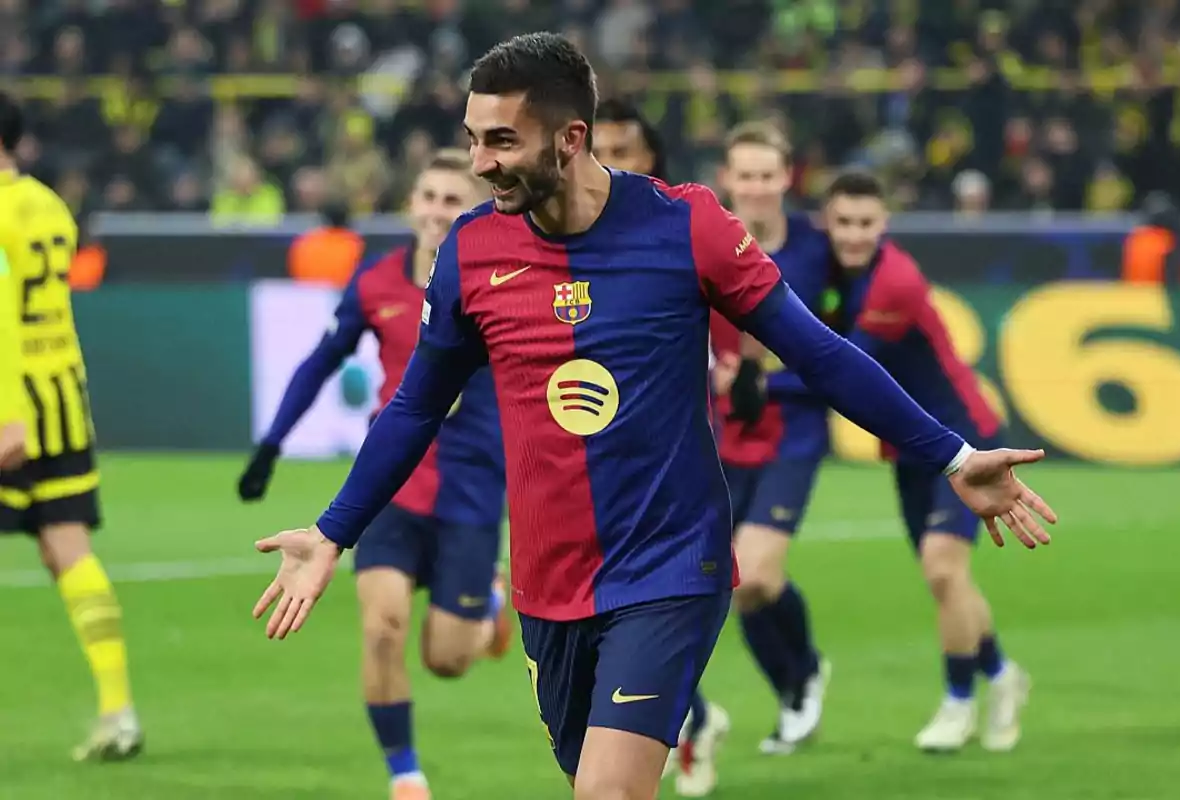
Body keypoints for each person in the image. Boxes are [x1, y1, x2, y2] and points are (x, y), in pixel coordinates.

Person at [250, 34, 1055, 800]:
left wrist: (951, 458)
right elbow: (417, 403)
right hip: (547, 581)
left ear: (569, 138)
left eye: (500, 141)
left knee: (608, 787)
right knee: (594, 782)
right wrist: (333, 533)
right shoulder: (472, 252)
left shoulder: (687, 225)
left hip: (671, 564)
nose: (478, 163)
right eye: (472, 138)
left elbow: (819, 353)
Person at [237, 149, 511, 800]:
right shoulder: (376, 283)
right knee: (381, 625)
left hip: (472, 490)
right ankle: (405, 774)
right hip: (392, 486)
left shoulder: (500, 284)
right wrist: (271, 444)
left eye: (453, 199)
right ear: (411, 206)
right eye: (430, 197)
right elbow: (318, 363)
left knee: (446, 660)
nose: (439, 211)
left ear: (473, 209)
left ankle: (490, 602)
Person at [814, 170, 1032, 752]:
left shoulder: (894, 282)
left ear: (884, 225)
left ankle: (959, 704)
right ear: (827, 224)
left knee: (942, 568)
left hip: (966, 441)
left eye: (866, 223)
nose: (855, 234)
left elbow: (842, 371)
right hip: (914, 451)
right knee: (946, 580)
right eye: (844, 223)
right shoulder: (833, 276)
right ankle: (1004, 677)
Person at [0, 92, 143, 762]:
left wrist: (7, 413)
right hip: (61, 393)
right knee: (66, 549)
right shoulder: (49, 205)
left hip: (11, 403)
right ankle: (119, 711)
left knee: (64, 549)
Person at [594, 94, 728, 798]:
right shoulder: (549, 246)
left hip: (678, 489)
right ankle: (696, 715)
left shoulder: (686, 232)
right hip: (581, 509)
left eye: (625, 150)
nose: (609, 164)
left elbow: (788, 332)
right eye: (600, 148)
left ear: (652, 161)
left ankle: (699, 717)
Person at [711, 121, 831, 755]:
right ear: (727, 180)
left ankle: (805, 669)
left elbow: (846, 331)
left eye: (767, 175)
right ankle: (794, 686)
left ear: (787, 178)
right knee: (733, 580)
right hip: (722, 434)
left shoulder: (818, 248)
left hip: (792, 430)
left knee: (754, 574)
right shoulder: (703, 243)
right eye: (745, 175)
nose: (756, 187)